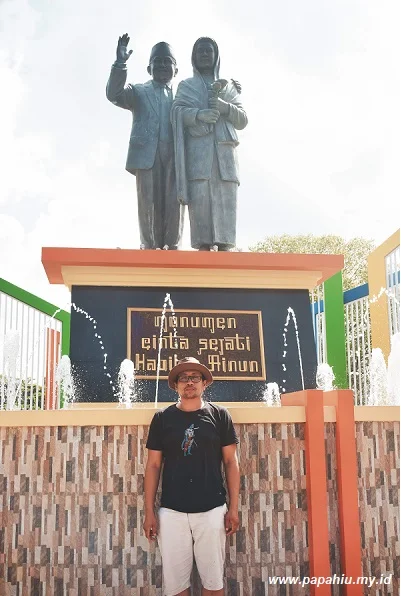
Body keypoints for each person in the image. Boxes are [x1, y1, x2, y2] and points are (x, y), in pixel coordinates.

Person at [144, 357, 240, 596]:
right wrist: (149, 512)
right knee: (176, 587)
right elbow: (154, 465)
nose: (189, 382)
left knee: (213, 583)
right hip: (172, 512)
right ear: (176, 385)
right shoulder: (162, 418)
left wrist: (234, 508)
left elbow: (231, 461)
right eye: (183, 378)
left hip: (211, 511)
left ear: (204, 383)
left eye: (194, 377)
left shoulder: (220, 416)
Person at [106, 34, 184, 250]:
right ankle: (148, 247)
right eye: (156, 62)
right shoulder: (139, 91)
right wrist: (120, 63)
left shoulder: (184, 96)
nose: (161, 65)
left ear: (176, 70)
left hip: (176, 158)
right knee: (147, 204)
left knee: (174, 204)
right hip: (146, 155)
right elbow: (114, 94)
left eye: (167, 61)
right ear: (149, 69)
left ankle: (172, 246)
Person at [171, 37, 248, 251]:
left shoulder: (230, 87)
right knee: (201, 212)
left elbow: (243, 120)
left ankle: (225, 248)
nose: (205, 54)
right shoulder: (186, 86)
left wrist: (225, 107)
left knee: (226, 213)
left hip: (225, 155)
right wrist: (199, 115)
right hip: (198, 156)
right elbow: (176, 112)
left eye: (209, 51)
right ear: (194, 57)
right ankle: (203, 247)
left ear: (216, 56)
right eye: (200, 51)